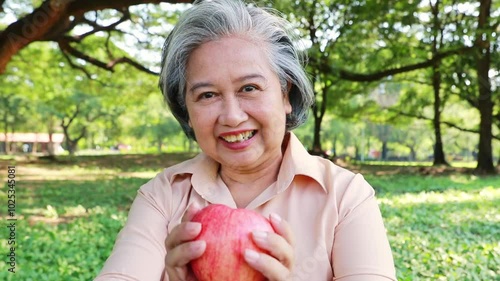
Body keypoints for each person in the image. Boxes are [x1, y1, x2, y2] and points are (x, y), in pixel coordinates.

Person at [95, 0, 397, 280]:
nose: (232, 116)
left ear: (285, 94)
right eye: (207, 95)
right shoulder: (162, 196)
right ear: (186, 109)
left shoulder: (345, 196)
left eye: (249, 88)